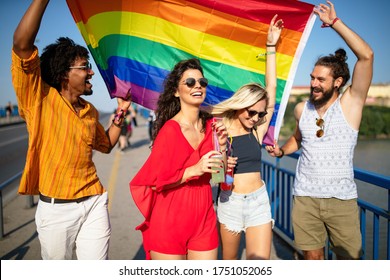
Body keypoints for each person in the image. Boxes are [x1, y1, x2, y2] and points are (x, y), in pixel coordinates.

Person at [11, 0, 132, 260]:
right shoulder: (38, 98)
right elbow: (22, 45)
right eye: (84, 67)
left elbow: (106, 145)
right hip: (56, 211)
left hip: (94, 201)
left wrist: (121, 111)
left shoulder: (90, 112)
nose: (91, 72)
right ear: (64, 74)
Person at [265, 1, 373, 260]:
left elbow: (367, 56)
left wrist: (335, 23)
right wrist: (282, 150)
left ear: (337, 83)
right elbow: (298, 139)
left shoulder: (351, 104)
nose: (313, 83)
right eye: (312, 77)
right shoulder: (302, 109)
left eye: (320, 79)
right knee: (313, 262)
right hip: (305, 198)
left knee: (351, 263)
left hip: (341, 200)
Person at [130, 58, 228, 260]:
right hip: (169, 219)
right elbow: (156, 184)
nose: (198, 86)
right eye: (190, 82)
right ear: (176, 91)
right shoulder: (170, 131)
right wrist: (195, 169)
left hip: (204, 217)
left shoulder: (212, 127)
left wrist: (224, 147)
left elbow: (220, 178)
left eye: (202, 82)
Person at [209, 15, 283, 260]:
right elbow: (216, 178)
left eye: (261, 114)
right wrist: (222, 163)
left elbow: (271, 89)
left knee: (259, 266)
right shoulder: (219, 129)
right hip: (230, 201)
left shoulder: (257, 130)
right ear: (241, 105)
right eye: (251, 112)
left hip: (259, 201)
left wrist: (270, 47)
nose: (256, 118)